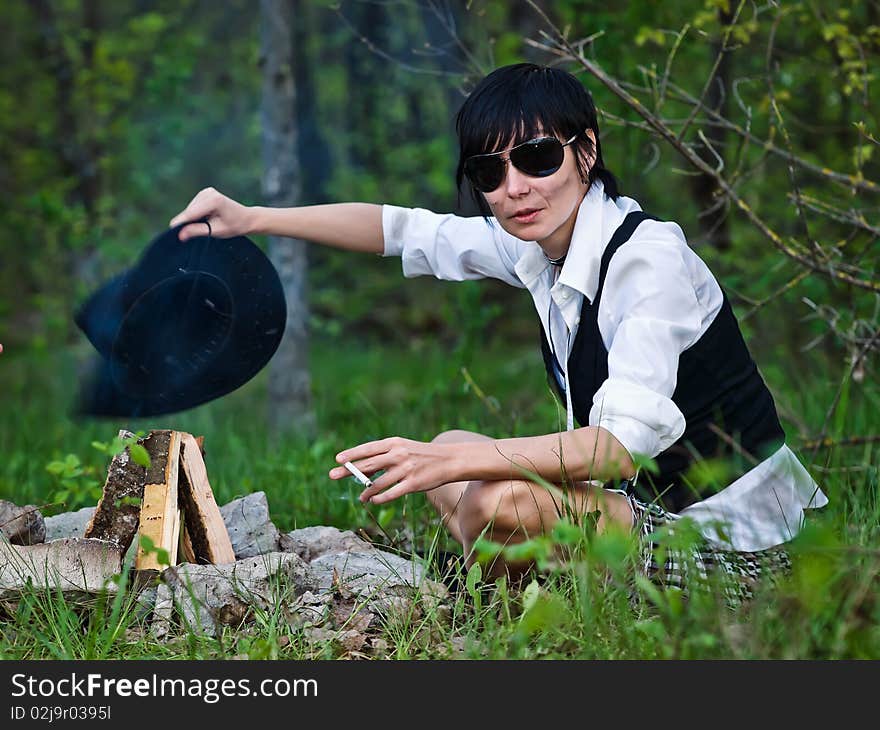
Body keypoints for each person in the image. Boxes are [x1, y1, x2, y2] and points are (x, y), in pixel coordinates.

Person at [171, 63, 827, 601]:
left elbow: (618, 450)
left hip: (744, 551)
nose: (515, 187)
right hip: (647, 517)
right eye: (490, 172)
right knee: (457, 449)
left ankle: (508, 613)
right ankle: (533, 594)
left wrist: (452, 463)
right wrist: (252, 218)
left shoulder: (646, 258)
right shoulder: (539, 243)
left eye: (537, 157)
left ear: (586, 151)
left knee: (493, 496)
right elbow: (403, 231)